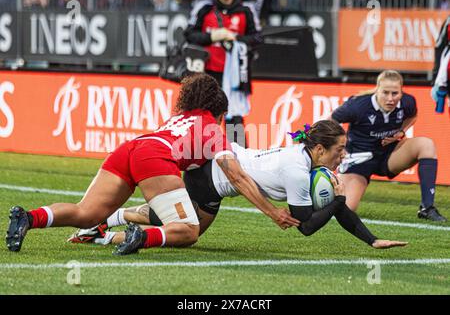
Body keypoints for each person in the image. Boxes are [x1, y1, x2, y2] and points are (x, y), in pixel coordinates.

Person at [6, 73, 299, 254]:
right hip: (154, 158)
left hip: (130, 149)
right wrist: (273, 212)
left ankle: (28, 217)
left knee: (86, 214)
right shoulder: (211, 128)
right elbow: (237, 177)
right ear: (218, 112)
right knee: (187, 230)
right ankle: (139, 236)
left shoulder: (178, 119)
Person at [70, 120, 407, 250]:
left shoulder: (308, 163)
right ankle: (105, 226)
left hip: (217, 174)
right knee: (176, 229)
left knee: (180, 232)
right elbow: (305, 226)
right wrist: (337, 200)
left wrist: (372, 240)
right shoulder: (296, 169)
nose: (343, 155)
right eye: (339, 149)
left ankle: (102, 230)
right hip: (210, 175)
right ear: (319, 149)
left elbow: (335, 208)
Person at [331, 70, 447, 222]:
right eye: (385, 93)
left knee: (426, 145)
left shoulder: (407, 101)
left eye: (395, 93)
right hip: (359, 160)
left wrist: (401, 132)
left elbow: (413, 116)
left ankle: (427, 208)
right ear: (377, 89)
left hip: (390, 155)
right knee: (346, 210)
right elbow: (330, 122)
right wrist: (340, 148)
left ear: (401, 92)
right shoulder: (358, 105)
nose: (390, 99)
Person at [184, 0, 262, 147]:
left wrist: (235, 38)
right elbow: (189, 35)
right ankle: (200, 162)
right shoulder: (204, 7)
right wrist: (213, 36)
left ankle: (240, 158)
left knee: (235, 120)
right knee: (204, 119)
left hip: (235, 77)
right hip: (208, 74)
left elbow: (257, 38)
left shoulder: (247, 10)